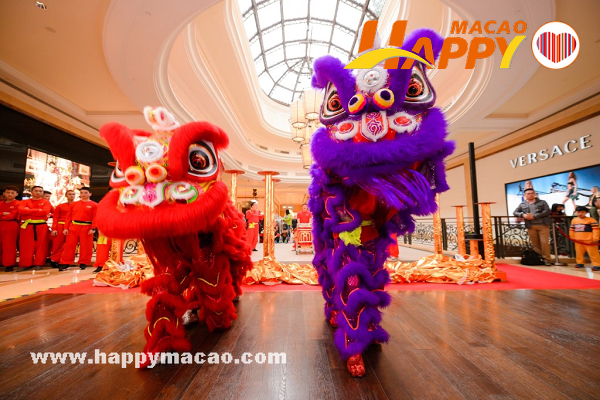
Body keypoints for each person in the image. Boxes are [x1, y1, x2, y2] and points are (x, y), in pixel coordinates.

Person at [58, 187, 97, 270]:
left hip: (87, 227)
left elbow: (95, 217)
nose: (83, 194)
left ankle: (84, 262)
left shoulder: (94, 205)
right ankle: (66, 262)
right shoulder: (73, 204)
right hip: (74, 226)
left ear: (90, 194)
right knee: (69, 245)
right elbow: (68, 217)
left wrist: (93, 228)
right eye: (82, 192)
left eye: (86, 193)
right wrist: (66, 228)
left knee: (86, 246)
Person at [513, 188, 552, 265]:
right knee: (535, 244)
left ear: (535, 194)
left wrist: (534, 216)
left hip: (543, 225)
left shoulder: (542, 202)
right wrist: (522, 215)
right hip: (531, 226)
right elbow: (515, 212)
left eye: (532, 193)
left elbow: (547, 211)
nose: (530, 195)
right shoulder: (523, 204)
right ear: (525, 195)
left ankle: (547, 259)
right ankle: (539, 258)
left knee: (544, 242)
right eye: (528, 193)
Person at [17, 185, 52, 270]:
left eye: (40, 191)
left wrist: (28, 211)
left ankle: (39, 263)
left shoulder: (46, 202)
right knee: (25, 246)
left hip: (41, 226)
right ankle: (25, 264)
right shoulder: (24, 201)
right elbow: (21, 210)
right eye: (36, 191)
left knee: (41, 245)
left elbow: (45, 211)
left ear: (43, 193)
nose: (38, 192)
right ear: (31, 192)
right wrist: (38, 211)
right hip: (27, 226)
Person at [49, 189, 75, 268]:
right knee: (57, 244)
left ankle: (55, 259)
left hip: (72, 227)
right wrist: (54, 229)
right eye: (69, 194)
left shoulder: (77, 205)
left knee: (69, 245)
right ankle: (55, 260)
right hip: (60, 226)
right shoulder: (60, 206)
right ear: (66, 196)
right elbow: (55, 218)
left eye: (73, 194)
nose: (71, 196)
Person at [569, 206, 600, 271]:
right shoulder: (574, 220)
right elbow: (571, 230)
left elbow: (596, 229)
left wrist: (595, 238)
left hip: (589, 240)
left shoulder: (591, 220)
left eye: (582, 212)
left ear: (586, 212)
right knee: (578, 252)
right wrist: (572, 237)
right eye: (578, 212)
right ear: (576, 212)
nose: (580, 213)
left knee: (593, 253)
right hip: (578, 240)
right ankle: (580, 263)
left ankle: (597, 264)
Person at [0, 186, 21, 272]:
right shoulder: (1, 203)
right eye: (8, 192)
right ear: (4, 193)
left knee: (9, 245)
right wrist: (3, 213)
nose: (9, 194)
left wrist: (2, 215)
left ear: (16, 194)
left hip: (11, 225)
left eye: (12, 193)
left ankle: (9, 264)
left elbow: (11, 216)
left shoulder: (18, 203)